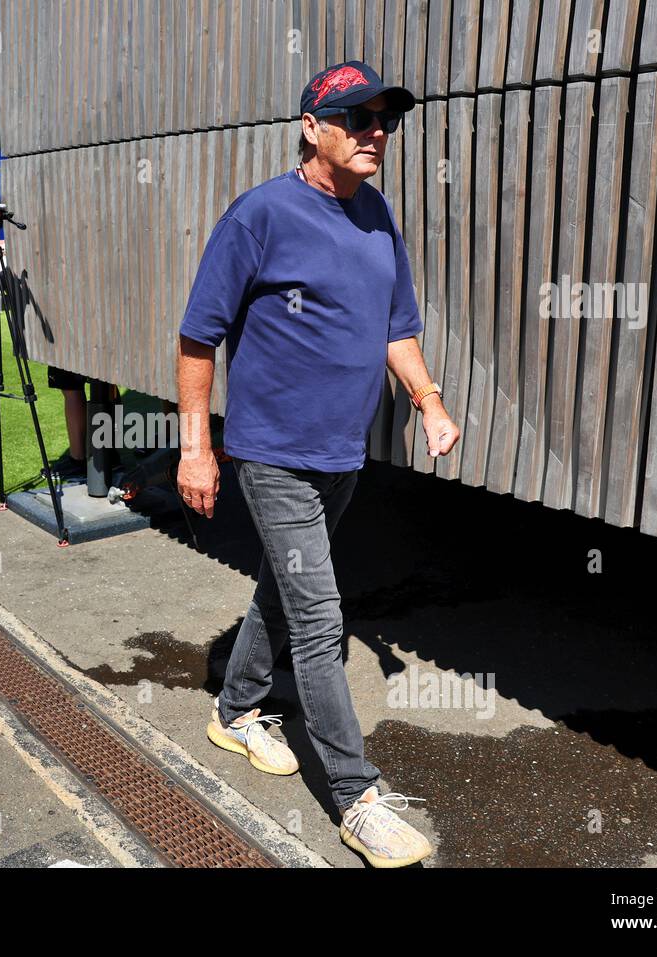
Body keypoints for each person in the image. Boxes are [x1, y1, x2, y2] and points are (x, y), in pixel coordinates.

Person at [177, 60, 460, 868]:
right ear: (313, 127)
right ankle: (356, 796)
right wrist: (197, 448)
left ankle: (234, 711)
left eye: (385, 120)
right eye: (358, 118)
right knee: (318, 614)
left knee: (286, 585)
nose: (376, 132)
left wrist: (429, 400)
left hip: (343, 453)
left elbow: (395, 326)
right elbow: (199, 336)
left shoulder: (376, 216)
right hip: (273, 453)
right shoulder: (261, 215)